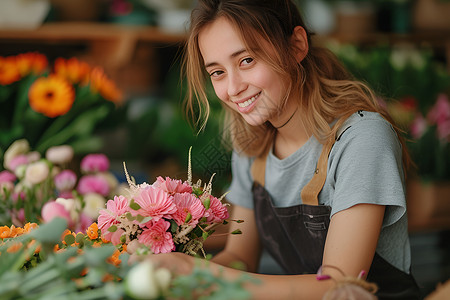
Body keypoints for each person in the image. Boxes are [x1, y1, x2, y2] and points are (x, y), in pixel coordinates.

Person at [146, 0, 421, 299]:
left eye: (247, 60)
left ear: (296, 46)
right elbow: (240, 259)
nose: (233, 88)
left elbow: (341, 285)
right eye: (217, 72)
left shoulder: (361, 139)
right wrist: (171, 270)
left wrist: (200, 274)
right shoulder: (252, 146)